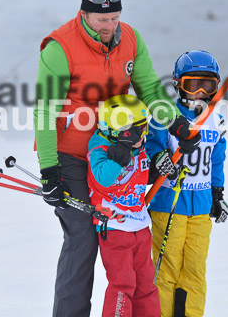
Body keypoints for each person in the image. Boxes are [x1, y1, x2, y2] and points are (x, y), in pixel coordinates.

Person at [33, 0, 201, 317]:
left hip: (120, 150)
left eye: (114, 19)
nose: (109, 27)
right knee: (84, 238)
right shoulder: (59, 48)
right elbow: (45, 111)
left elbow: (151, 89)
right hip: (72, 156)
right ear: (84, 14)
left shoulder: (131, 40)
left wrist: (177, 124)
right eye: (101, 20)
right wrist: (50, 170)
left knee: (128, 240)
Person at [146, 50, 228, 317]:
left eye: (208, 86)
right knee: (167, 269)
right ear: (178, 84)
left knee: (195, 270)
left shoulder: (216, 119)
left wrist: (217, 194)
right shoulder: (166, 115)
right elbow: (152, 145)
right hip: (169, 205)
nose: (200, 93)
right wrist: (161, 160)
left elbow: (217, 158)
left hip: (202, 207)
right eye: (193, 85)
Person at [86, 94, 161, 317]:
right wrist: (121, 153)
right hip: (114, 227)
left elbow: (145, 175)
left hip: (139, 226)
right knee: (123, 283)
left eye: (144, 127)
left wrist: (161, 167)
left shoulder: (139, 148)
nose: (143, 134)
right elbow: (104, 178)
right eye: (137, 130)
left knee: (146, 283)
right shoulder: (100, 148)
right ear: (119, 130)